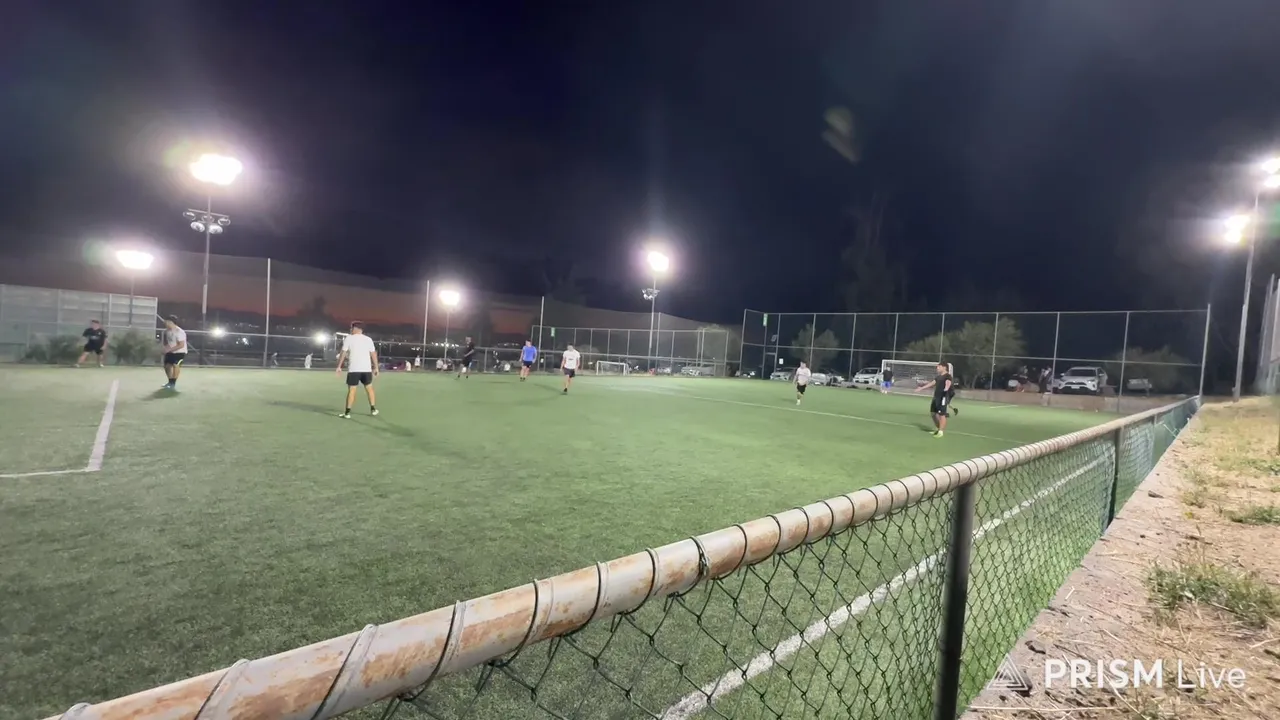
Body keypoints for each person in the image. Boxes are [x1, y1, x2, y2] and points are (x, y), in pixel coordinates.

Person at [335, 321, 378, 418]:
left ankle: (347, 413)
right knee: (369, 388)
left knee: (352, 390)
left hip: (354, 369)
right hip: (366, 369)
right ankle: (373, 409)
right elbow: (373, 354)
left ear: (355, 328)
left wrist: (339, 366)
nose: (350, 329)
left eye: (351, 328)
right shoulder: (368, 339)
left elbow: (343, 353)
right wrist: (376, 367)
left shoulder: (349, 338)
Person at [915, 361, 953, 437]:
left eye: (939, 367)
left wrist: (946, 389)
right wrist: (921, 388)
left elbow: (948, 383)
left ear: (944, 367)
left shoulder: (948, 376)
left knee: (942, 414)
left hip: (943, 397)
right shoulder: (938, 377)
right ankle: (939, 429)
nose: (937, 368)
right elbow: (932, 383)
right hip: (936, 397)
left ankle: (941, 432)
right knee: (933, 413)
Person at [160, 315, 187, 390]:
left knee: (176, 365)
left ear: (171, 322)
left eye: (166, 322)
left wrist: (169, 349)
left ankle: (173, 383)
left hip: (180, 352)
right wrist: (165, 349)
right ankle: (170, 382)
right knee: (167, 366)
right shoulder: (167, 331)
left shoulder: (179, 332)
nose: (165, 323)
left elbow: (181, 345)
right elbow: (170, 343)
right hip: (171, 351)